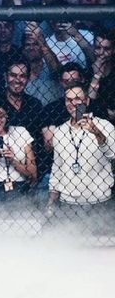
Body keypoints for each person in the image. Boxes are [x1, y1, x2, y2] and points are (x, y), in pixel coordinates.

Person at [45, 84, 115, 219]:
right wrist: (51, 202)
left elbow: (112, 155)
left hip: (99, 201)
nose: (72, 103)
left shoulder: (105, 126)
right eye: (68, 99)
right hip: (68, 202)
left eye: (77, 99)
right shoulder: (60, 131)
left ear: (87, 101)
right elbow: (57, 169)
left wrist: (97, 133)